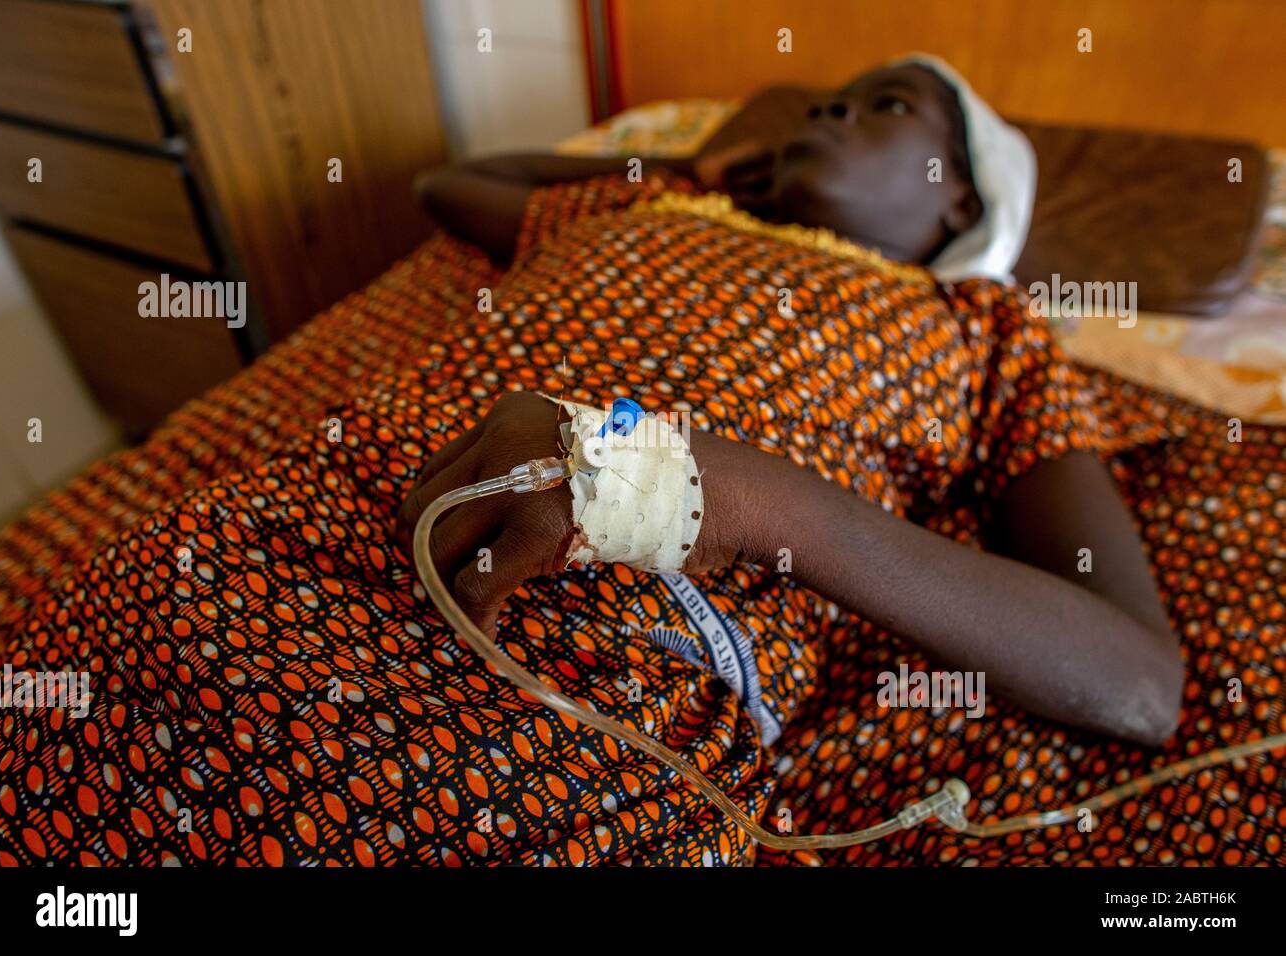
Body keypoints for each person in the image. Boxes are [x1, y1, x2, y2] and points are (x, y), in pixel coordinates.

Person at [405, 57, 1181, 746]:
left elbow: (1138, 682)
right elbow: (451, 185)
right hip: (369, 489)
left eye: (890, 105)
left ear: (964, 204)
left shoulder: (981, 325)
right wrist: (683, 165)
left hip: (607, 649)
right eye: (825, 105)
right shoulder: (655, 209)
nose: (829, 111)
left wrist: (731, 496)